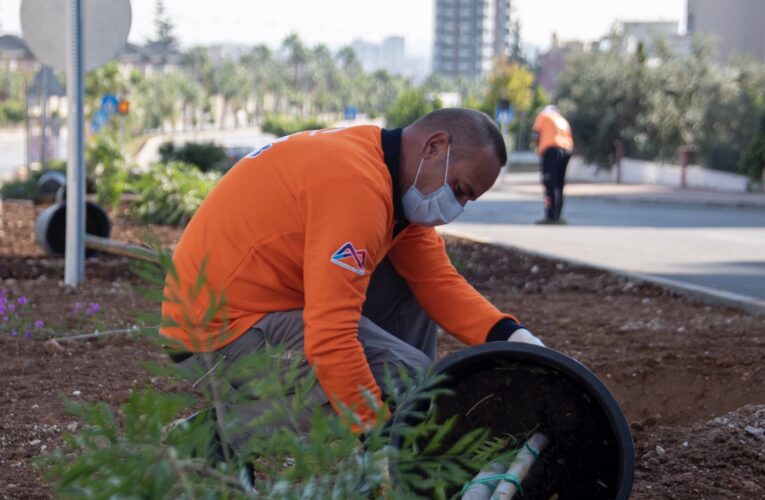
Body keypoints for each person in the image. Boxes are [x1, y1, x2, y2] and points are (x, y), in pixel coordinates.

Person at [160, 108, 543, 453]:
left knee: (410, 298)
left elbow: (438, 283)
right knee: (407, 376)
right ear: (433, 146)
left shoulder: (385, 177)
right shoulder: (356, 187)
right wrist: (377, 432)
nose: (455, 207)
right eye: (459, 189)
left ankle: (396, 414)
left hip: (254, 310)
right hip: (214, 338)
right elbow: (331, 337)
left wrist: (516, 339)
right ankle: (215, 437)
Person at [531, 105, 574, 224]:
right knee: (559, 185)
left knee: (549, 183)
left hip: (551, 151)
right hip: (566, 151)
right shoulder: (563, 120)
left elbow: (535, 134)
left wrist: (537, 148)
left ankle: (549, 216)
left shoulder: (544, 116)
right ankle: (558, 216)